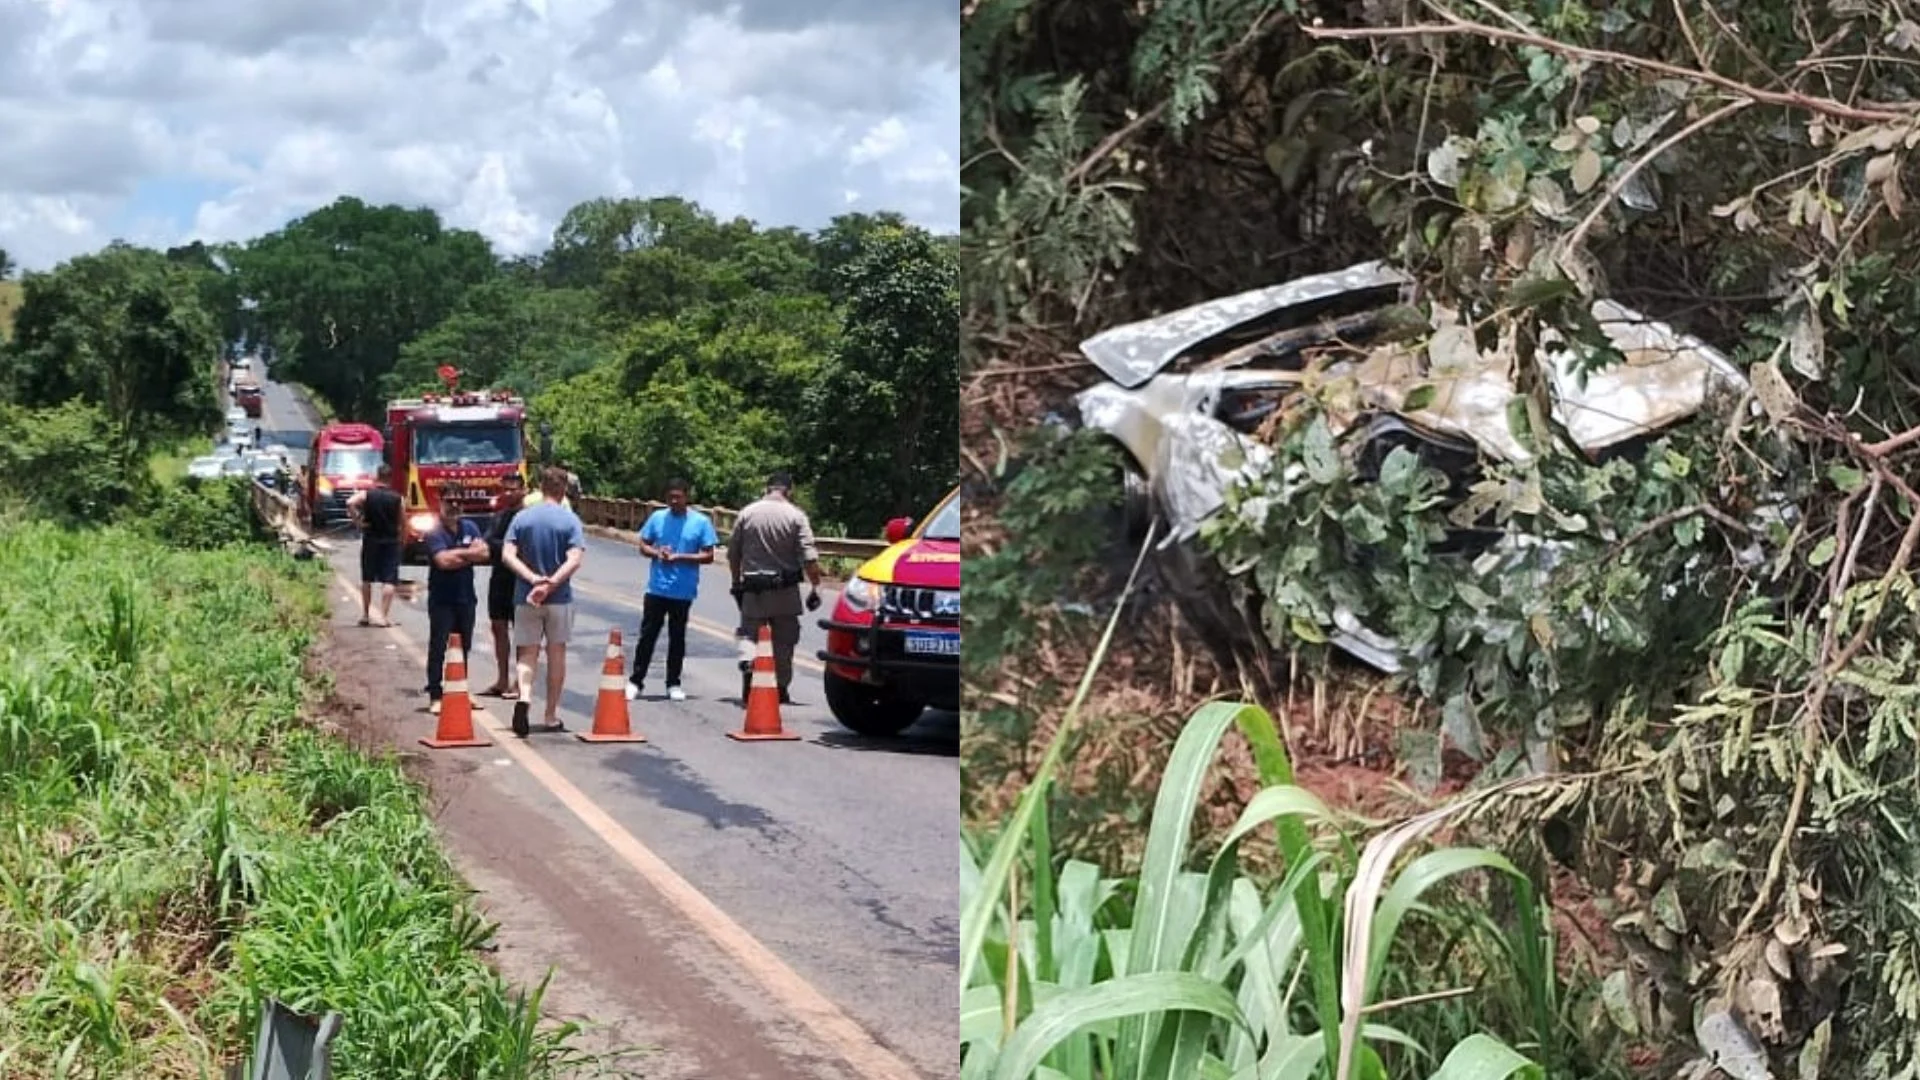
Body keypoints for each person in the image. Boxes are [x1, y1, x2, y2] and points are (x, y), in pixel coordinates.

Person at [500, 467, 588, 738]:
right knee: (556, 653)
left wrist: (532, 579)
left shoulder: (523, 517)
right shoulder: (570, 520)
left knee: (527, 652)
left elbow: (507, 555)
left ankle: (524, 696)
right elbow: (575, 559)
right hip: (559, 597)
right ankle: (550, 715)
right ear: (564, 490)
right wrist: (551, 583)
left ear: (541, 487)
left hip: (526, 595)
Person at [727, 470, 824, 705]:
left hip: (753, 588)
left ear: (767, 488)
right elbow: (809, 557)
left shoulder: (747, 513)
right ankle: (780, 688)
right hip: (785, 590)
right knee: (784, 642)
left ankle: (749, 679)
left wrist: (736, 583)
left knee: (749, 635)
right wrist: (816, 585)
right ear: (789, 490)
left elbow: (733, 554)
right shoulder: (796, 516)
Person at [627, 478, 718, 703]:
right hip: (657, 588)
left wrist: (681, 557)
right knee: (648, 636)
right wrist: (657, 553)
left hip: (683, 590)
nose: (674, 501)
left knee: (677, 638)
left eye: (678, 497)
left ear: (687, 497)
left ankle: (673, 683)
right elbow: (643, 545)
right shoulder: (658, 517)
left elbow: (708, 555)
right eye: (670, 497)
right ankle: (636, 681)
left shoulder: (700, 522)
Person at [422, 484, 489, 715]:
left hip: (466, 598)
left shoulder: (470, 526)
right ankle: (435, 694)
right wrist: (469, 554)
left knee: (463, 647)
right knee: (439, 647)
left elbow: (484, 554)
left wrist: (458, 554)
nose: (454, 505)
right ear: (440, 502)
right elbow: (442, 562)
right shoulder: (434, 531)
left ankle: (460, 690)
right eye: (449, 500)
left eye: (458, 501)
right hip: (442, 599)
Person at [480, 471, 529, 699]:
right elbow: (488, 542)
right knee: (498, 627)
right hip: (499, 577)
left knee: (521, 632)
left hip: (520, 579)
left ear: (523, 490)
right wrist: (502, 547)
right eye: (505, 489)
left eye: (513, 489)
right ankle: (502, 679)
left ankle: (519, 682)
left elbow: (522, 547)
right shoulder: (499, 516)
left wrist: (500, 547)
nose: (508, 493)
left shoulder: (528, 518)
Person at [345, 463, 404, 627]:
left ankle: (365, 615)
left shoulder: (367, 495)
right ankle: (383, 617)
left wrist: (358, 521)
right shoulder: (397, 498)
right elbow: (403, 522)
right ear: (390, 478)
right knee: (389, 580)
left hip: (371, 540)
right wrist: (402, 539)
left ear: (377, 477)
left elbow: (349, 502)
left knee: (367, 578)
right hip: (390, 541)